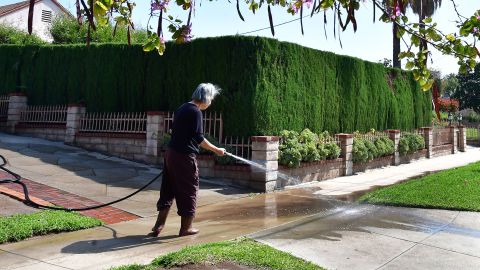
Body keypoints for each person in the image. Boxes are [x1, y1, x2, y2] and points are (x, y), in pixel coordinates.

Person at [149, 83, 225, 237]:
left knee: (168, 189)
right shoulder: (195, 111)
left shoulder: (183, 107)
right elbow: (199, 139)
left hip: (171, 154)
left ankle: (159, 225)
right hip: (184, 156)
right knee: (189, 189)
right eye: (211, 98)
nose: (211, 102)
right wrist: (217, 150)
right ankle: (186, 228)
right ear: (206, 97)